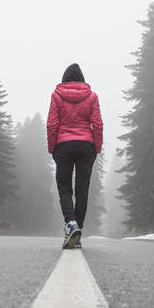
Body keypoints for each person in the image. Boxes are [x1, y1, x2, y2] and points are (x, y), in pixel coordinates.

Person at [47, 63, 103, 249]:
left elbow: (52, 125)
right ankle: (77, 232)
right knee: (82, 190)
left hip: (63, 146)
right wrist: (97, 148)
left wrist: (52, 148)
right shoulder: (92, 96)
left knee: (64, 188)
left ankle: (71, 224)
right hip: (86, 145)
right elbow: (98, 124)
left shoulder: (57, 96)